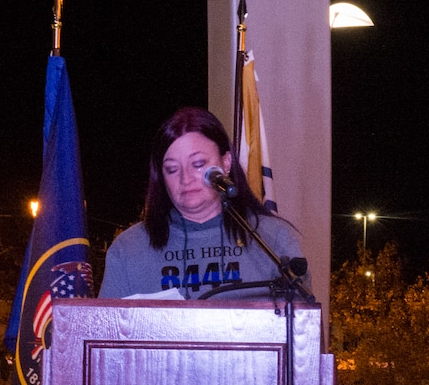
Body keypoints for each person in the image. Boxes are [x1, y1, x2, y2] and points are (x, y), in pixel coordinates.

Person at [98, 106, 310, 300]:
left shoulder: (274, 239)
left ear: (225, 163)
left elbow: (302, 331)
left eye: (198, 164)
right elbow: (105, 333)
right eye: (172, 169)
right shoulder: (128, 249)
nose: (185, 178)